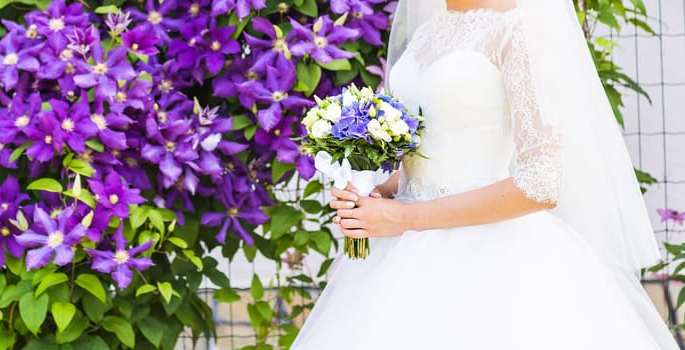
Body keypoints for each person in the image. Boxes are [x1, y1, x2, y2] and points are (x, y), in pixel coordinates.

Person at [290, 0, 681, 349]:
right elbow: (431, 152)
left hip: (494, 258)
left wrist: (406, 218)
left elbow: (541, 182)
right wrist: (375, 191)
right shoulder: (427, 31)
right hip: (400, 253)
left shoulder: (522, 28)